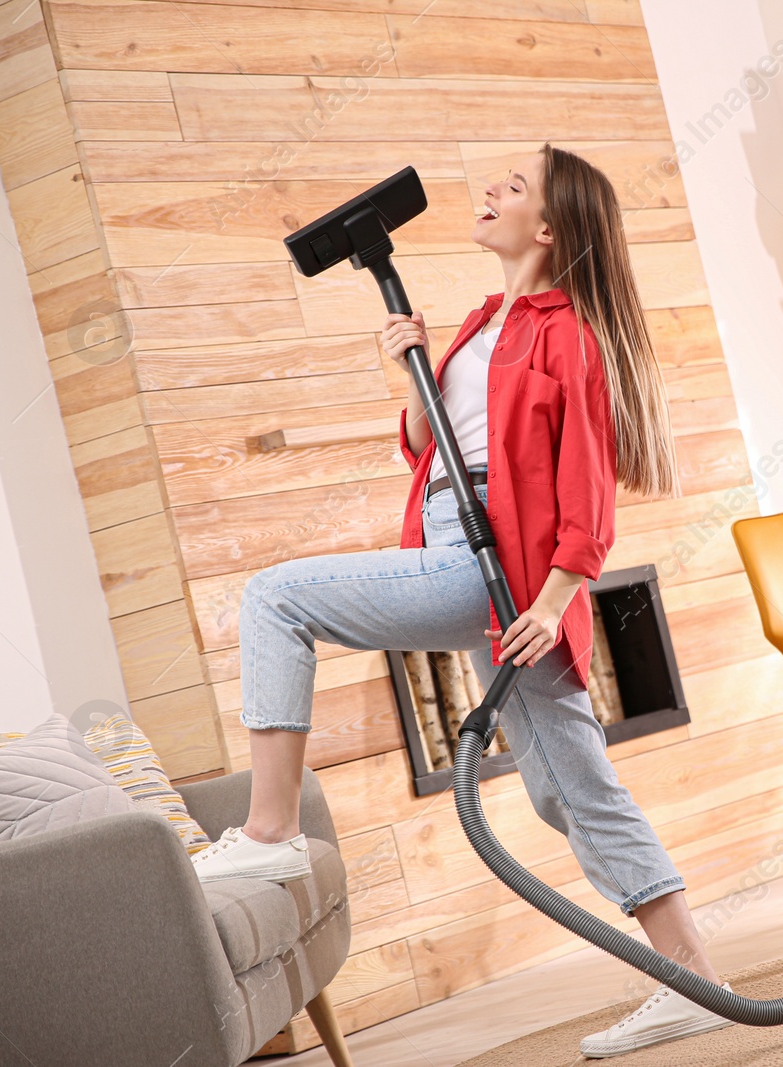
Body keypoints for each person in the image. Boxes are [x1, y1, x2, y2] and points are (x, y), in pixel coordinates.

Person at [187, 143, 733, 1057]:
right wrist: (410, 367)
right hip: (454, 538)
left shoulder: (568, 333)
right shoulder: (486, 320)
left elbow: (587, 496)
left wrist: (551, 595)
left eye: (512, 188)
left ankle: (270, 828)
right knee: (571, 790)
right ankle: (699, 980)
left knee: (275, 597)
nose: (490, 190)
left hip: (502, 569)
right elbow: (427, 450)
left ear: (550, 229)